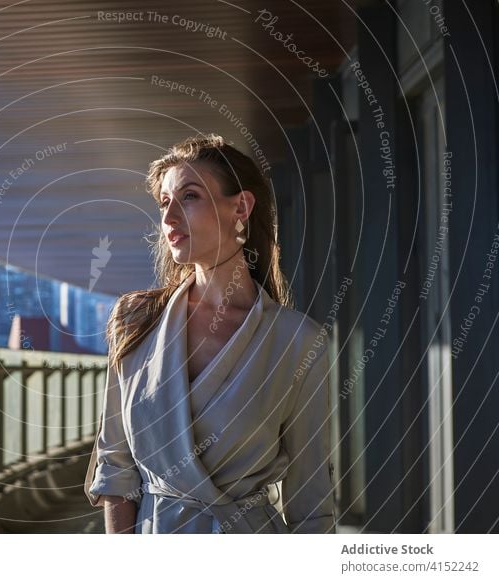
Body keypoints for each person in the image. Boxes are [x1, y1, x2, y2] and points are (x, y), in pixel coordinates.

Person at [84, 133, 336, 534]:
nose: (168, 219)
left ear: (240, 207)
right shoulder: (134, 320)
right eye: (164, 202)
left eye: (189, 197)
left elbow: (311, 499)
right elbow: (115, 465)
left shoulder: (297, 341)